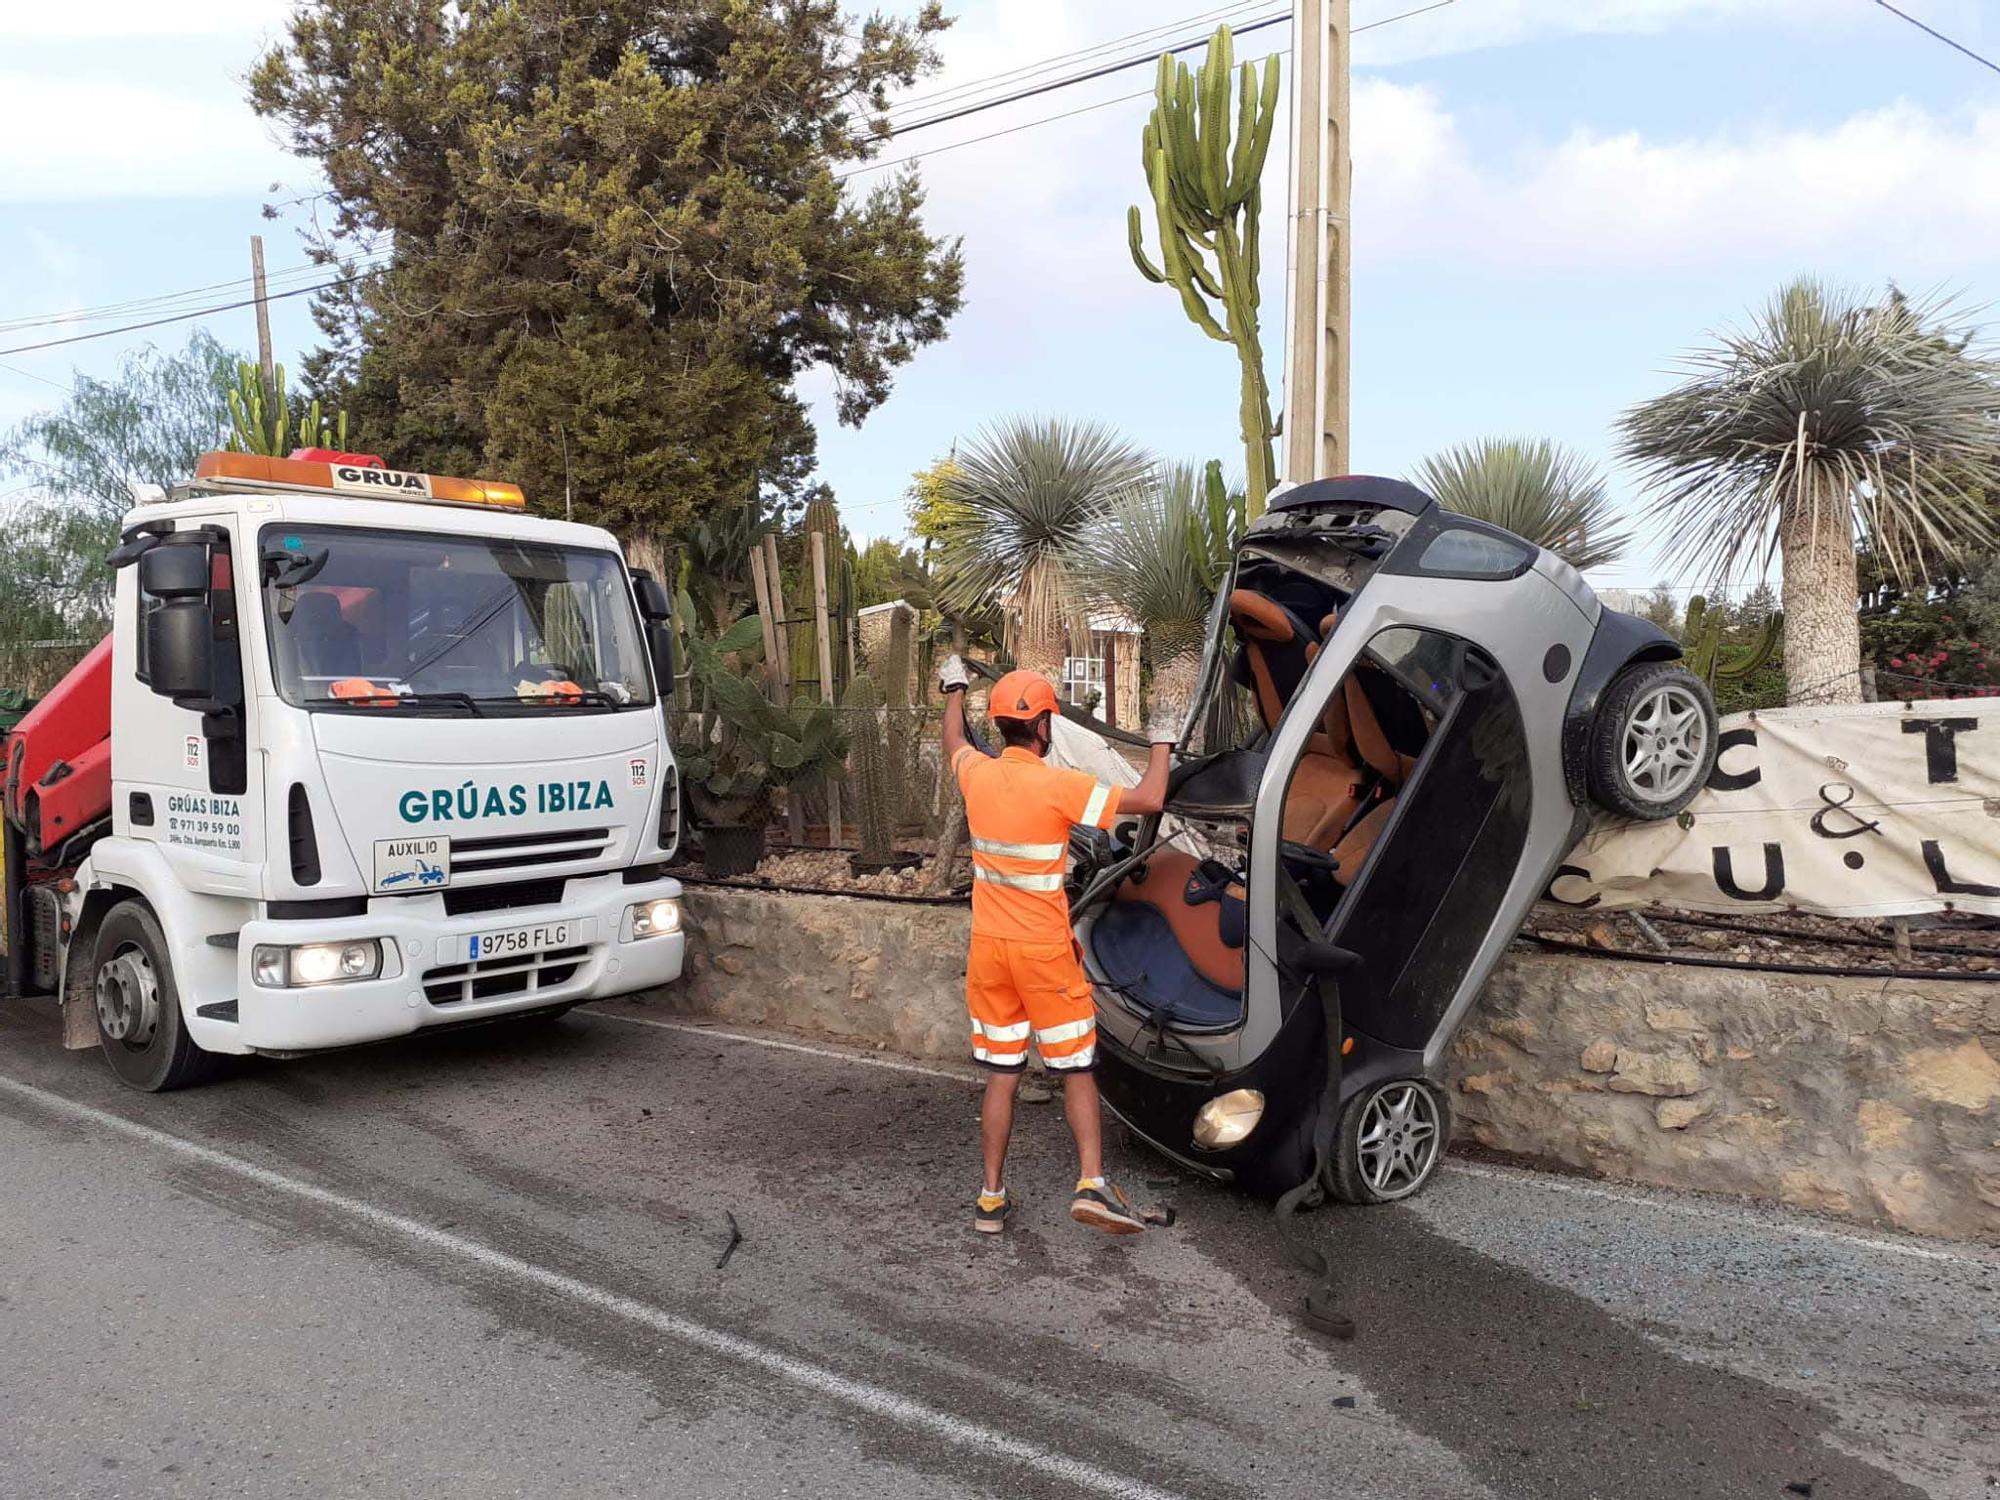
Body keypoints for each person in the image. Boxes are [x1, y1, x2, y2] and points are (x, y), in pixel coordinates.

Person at [937, 657, 1182, 1235]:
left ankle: (990, 1200)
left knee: (1002, 1074)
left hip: (990, 954)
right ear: (1044, 724)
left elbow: (952, 736)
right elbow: (1149, 799)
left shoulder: (976, 773)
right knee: (1075, 1068)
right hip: (1044, 954)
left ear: (998, 726)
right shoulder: (1058, 786)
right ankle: (1091, 1184)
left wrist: (953, 689)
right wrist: (1164, 740)